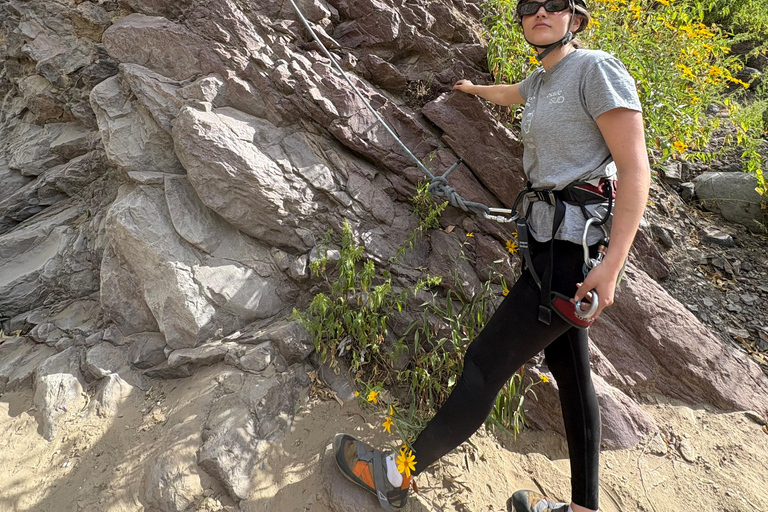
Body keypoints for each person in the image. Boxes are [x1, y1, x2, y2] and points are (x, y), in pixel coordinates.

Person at [333, 0, 651, 511]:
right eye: (528, 6)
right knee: (570, 371)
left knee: (484, 365)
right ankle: (583, 507)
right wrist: (472, 90)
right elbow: (512, 92)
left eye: (553, 4)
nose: (540, 12)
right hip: (549, 244)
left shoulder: (595, 69)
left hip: (571, 253)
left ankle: (393, 475)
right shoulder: (543, 80)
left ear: (575, 18)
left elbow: (635, 168)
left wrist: (612, 266)